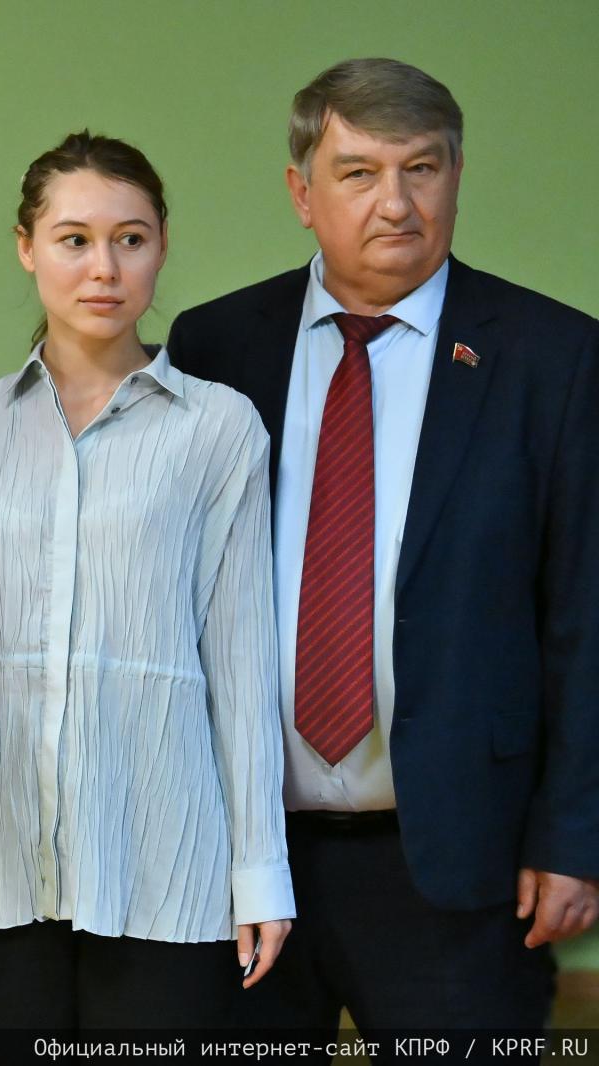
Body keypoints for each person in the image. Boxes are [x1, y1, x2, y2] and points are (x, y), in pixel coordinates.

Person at [165, 57, 599, 1037]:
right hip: (242, 859)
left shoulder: (554, 357)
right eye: (358, 173)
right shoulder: (216, 346)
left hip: (462, 865)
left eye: (422, 169)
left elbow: (586, 615)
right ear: (300, 193)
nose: (396, 204)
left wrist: (575, 836)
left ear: (456, 175)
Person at [0, 131, 295, 1054]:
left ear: (162, 247)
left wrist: (260, 872)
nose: (104, 268)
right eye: (74, 239)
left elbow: (241, 663)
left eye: (131, 239)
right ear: (26, 248)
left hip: (167, 870)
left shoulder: (220, 429)